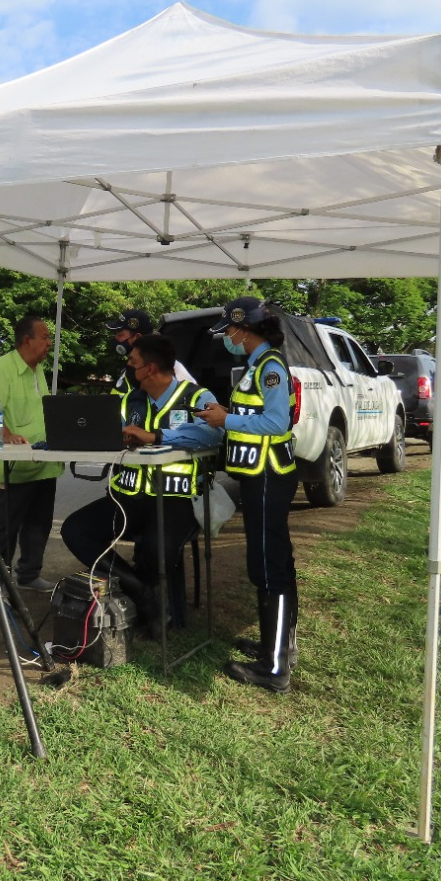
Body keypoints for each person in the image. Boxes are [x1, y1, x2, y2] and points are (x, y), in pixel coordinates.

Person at [60, 334, 223, 633]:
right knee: (75, 530)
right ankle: (141, 592)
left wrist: (156, 436)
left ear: (148, 369)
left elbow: (214, 433)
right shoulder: (129, 401)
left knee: (155, 548)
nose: (128, 367)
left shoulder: (198, 397)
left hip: (178, 500)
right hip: (128, 498)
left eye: (132, 362)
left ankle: (159, 609)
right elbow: (101, 428)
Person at [194, 297, 299, 693]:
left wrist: (227, 418)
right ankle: (277, 647)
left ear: (245, 330)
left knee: (270, 566)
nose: (228, 339)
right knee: (273, 563)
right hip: (261, 476)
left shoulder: (270, 367)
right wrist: (222, 413)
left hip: (269, 475)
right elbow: (254, 417)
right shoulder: (257, 366)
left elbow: (275, 422)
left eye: (230, 332)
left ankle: (274, 669)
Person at [0, 315, 63, 593]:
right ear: (26, 341)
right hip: (10, 467)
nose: (50, 343)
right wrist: (6, 435)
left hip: (42, 464)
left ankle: (29, 575)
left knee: (38, 525)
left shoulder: (38, 370)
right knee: (3, 530)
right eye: (45, 338)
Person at [106, 309, 194, 395]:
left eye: (120, 334)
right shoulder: (129, 368)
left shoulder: (168, 365)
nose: (116, 338)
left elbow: (193, 395)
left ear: (137, 337)